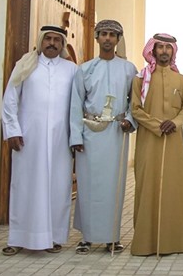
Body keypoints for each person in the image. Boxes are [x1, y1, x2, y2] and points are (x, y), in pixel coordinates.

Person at [1, 26, 77, 256]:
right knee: (24, 186)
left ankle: (54, 238)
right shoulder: (25, 64)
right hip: (28, 139)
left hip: (60, 141)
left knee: (58, 187)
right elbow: (10, 99)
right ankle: (18, 238)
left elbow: (78, 105)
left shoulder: (72, 69)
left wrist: (76, 137)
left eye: (56, 40)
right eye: (48, 39)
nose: (52, 43)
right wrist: (12, 130)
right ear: (41, 41)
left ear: (62, 44)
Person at [69, 19, 138, 255]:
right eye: (104, 34)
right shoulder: (85, 69)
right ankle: (86, 237)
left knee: (113, 186)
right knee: (88, 186)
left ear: (118, 40)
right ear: (97, 38)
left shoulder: (129, 69)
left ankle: (112, 237)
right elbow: (76, 104)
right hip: (90, 133)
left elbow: (134, 101)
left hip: (116, 133)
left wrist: (130, 119)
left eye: (112, 35)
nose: (108, 38)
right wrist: (75, 135)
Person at [130, 33, 183, 256]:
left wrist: (174, 123)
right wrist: (157, 125)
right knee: (147, 187)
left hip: (174, 142)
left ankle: (177, 242)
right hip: (149, 142)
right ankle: (146, 244)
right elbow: (135, 109)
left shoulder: (182, 80)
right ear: (153, 50)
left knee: (175, 188)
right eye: (160, 47)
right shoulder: (140, 78)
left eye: (168, 48)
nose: (164, 51)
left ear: (173, 51)